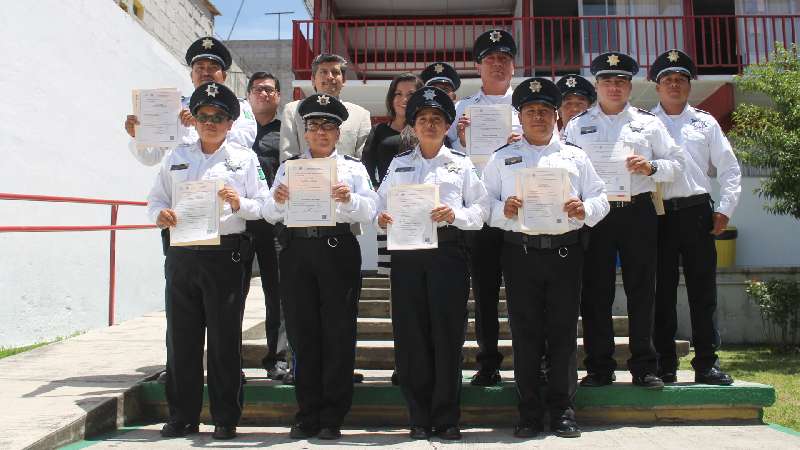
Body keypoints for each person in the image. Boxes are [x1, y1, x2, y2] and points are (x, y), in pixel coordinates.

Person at [483, 77, 609, 438]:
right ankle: (528, 412)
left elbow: (601, 198)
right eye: (529, 111)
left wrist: (584, 208)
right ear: (519, 118)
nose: (537, 117)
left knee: (563, 333)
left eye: (544, 111)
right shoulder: (502, 159)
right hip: (519, 254)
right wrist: (501, 209)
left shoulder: (575, 157)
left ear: (556, 116)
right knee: (525, 335)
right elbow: (482, 204)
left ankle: (563, 410)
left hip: (565, 253)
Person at [147, 82, 268, 440]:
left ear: (231, 123)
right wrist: (161, 215)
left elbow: (263, 206)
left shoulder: (244, 160)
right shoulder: (177, 156)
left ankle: (225, 417)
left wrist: (237, 203)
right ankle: (182, 415)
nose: (210, 122)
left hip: (224, 255)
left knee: (223, 339)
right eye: (203, 116)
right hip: (182, 253)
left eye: (218, 117)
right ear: (194, 120)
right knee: (181, 339)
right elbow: (155, 199)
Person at [564, 52, 687, 389]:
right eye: (607, 81)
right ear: (596, 85)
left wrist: (651, 168)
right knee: (594, 292)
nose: (614, 87)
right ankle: (599, 367)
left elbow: (678, 163)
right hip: (596, 215)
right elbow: (564, 170)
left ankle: (645, 367)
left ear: (630, 86)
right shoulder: (577, 125)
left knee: (642, 290)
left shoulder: (649, 123)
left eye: (620, 81)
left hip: (638, 211)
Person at [262, 94, 378, 440]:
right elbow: (268, 214)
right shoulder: (289, 167)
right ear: (305, 132)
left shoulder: (354, 169)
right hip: (297, 251)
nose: (321, 132)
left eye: (328, 126)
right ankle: (307, 411)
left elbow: (371, 210)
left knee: (339, 333)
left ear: (338, 132)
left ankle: (333, 414)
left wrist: (350, 199)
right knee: (302, 333)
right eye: (314, 126)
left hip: (337, 247)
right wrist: (278, 200)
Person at [376, 87, 488, 441]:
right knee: (411, 337)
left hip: (447, 255)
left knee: (447, 335)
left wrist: (455, 214)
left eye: (436, 120)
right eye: (423, 119)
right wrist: (382, 218)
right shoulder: (399, 164)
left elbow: (481, 211)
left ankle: (446, 416)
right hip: (407, 256)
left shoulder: (461, 164)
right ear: (413, 125)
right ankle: (419, 415)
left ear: (446, 125)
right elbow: (379, 207)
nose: (429, 125)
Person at [649, 49, 741, 385]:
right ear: (657, 87)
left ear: (689, 86)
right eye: (667, 80)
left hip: (697, 213)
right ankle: (664, 364)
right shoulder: (645, 123)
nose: (674, 85)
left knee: (703, 291)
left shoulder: (706, 122)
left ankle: (706, 363)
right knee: (662, 293)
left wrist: (725, 209)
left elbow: (730, 168)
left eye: (680, 80)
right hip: (658, 215)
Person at [447, 29, 522, 387]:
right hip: (479, 215)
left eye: (504, 59)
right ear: (479, 66)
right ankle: (488, 362)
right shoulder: (461, 109)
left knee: (525, 294)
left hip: (520, 213)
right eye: (491, 59)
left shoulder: (528, 105)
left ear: (513, 65)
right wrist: (462, 143)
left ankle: (530, 362)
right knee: (486, 295)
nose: (498, 64)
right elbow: (447, 164)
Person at [125, 36, 256, 165]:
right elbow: (151, 158)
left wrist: (201, 123)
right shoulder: (175, 107)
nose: (206, 73)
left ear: (224, 76)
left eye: (212, 67)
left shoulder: (239, 107)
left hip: (224, 181)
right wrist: (137, 136)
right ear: (191, 76)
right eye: (200, 68)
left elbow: (245, 142)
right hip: (183, 183)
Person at [245, 72, 288, 380]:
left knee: (279, 294)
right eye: (258, 89)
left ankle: (278, 358)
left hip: (273, 223)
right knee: (232, 294)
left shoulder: (285, 132)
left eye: (270, 90)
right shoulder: (234, 129)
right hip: (238, 223)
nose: (264, 93)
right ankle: (226, 359)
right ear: (248, 95)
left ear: (278, 97)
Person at [280, 53, 371, 161]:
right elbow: (288, 156)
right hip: (304, 176)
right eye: (323, 72)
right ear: (313, 79)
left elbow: (363, 160)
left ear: (344, 80)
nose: (330, 77)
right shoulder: (292, 110)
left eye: (335, 72)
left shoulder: (360, 115)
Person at [556, 74, 596, 138]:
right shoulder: (550, 141)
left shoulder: (602, 138)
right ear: (559, 111)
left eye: (580, 103)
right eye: (568, 103)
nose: (575, 109)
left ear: (590, 109)